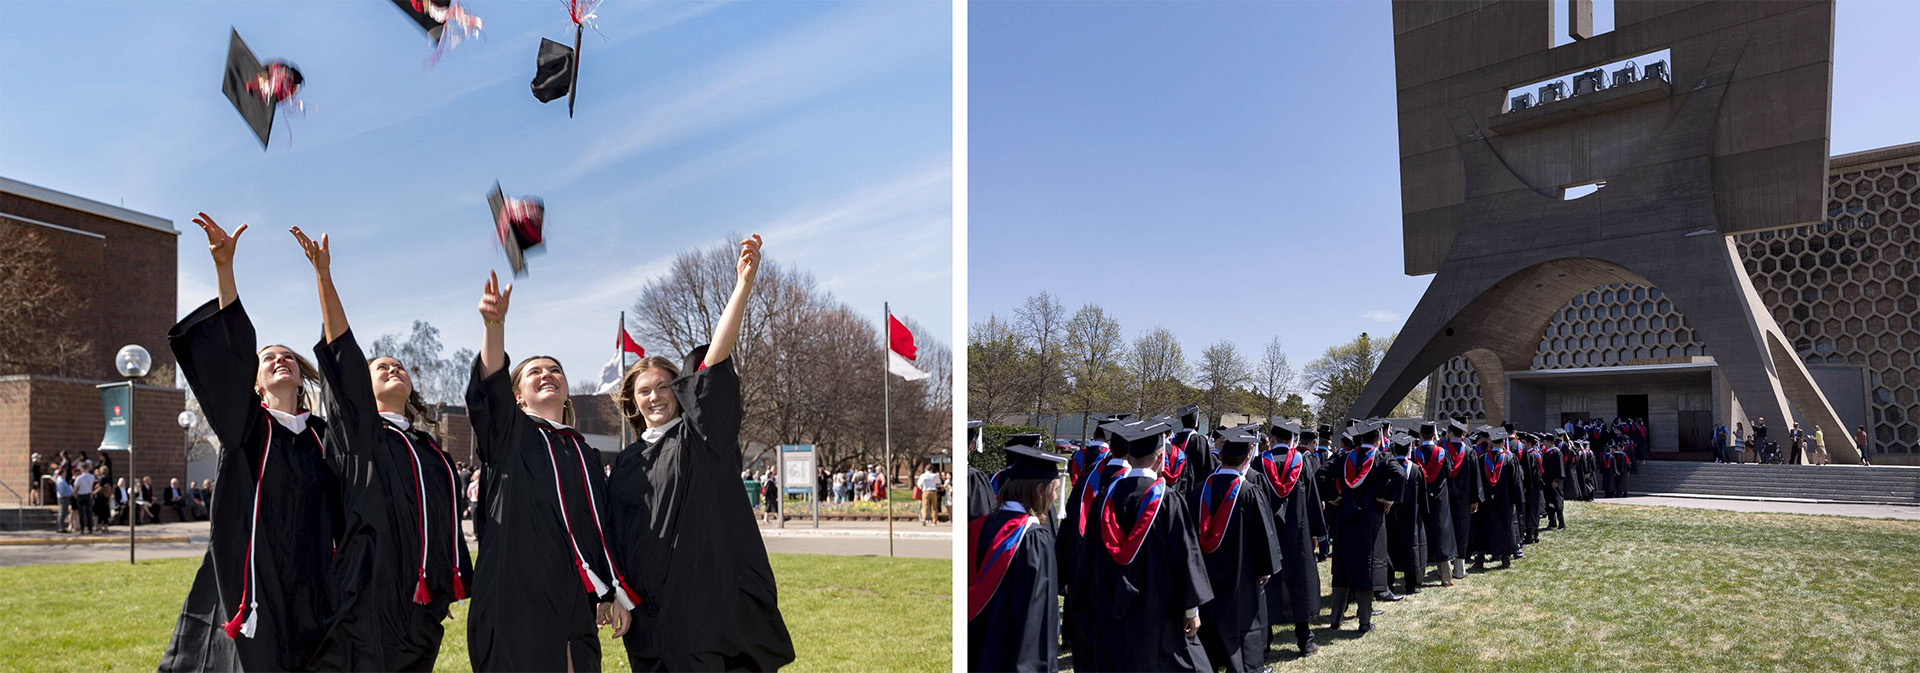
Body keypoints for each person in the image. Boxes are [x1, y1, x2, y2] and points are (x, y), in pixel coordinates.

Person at [603, 234, 794, 672]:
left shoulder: (700, 438)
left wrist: (743, 286)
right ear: (633, 402)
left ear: (681, 392)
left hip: (709, 610)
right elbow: (613, 535)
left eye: (664, 387)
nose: (655, 397)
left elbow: (713, 363)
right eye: (644, 391)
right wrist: (617, 595)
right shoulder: (627, 462)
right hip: (650, 617)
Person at [158, 212, 338, 673]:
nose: (279, 360)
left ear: (301, 375)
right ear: (254, 381)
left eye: (287, 357)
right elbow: (233, 349)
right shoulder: (247, 429)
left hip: (310, 578)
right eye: (268, 358)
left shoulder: (321, 437)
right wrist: (225, 270)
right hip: (252, 579)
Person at [290, 228, 474, 672]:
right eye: (380, 367)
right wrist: (324, 277)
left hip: (421, 603)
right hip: (366, 593)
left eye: (399, 366)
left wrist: (442, 582)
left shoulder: (430, 450)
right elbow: (341, 353)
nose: (392, 368)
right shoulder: (361, 434)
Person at [464, 269, 630, 672]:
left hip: (572, 592)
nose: (547, 374)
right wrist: (494, 326)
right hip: (516, 592)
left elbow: (597, 526)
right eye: (534, 371)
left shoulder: (583, 452)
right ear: (517, 395)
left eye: (555, 370)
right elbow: (490, 390)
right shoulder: (511, 436)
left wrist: (610, 590)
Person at [1074, 419, 1212, 671]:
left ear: (1128, 455)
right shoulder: (1169, 501)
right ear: (1161, 458)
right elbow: (1185, 558)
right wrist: (1191, 610)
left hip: (1109, 606)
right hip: (1158, 611)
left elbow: (1088, 555)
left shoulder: (1105, 499)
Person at [967, 436, 1066, 672]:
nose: (1054, 498)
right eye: (1054, 491)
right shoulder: (1034, 538)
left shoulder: (977, 528)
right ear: (1040, 490)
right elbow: (1038, 619)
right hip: (1014, 658)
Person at [1188, 427, 1279, 673]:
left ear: (1221, 456)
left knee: (1209, 621)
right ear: (1247, 458)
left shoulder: (1198, 490)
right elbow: (1262, 535)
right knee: (1243, 625)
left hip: (1205, 575)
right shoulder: (1249, 491)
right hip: (1241, 575)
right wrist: (1265, 570)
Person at [1258, 421, 1325, 658]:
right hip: (1299, 533)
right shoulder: (1303, 463)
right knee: (1301, 582)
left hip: (1268, 536)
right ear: (1291, 440)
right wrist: (1316, 533)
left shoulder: (1259, 464)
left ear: (1273, 439)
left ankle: (1265, 644)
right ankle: (1305, 641)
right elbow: (1313, 502)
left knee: (1268, 585)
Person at [1328, 420, 1399, 634]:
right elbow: (1400, 475)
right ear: (1379, 438)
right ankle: (1364, 622)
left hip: (1345, 520)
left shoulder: (1343, 457)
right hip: (1369, 522)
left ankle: (1335, 619)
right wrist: (1387, 499)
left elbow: (1321, 474)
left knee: (1342, 567)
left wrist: (1334, 496)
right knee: (1365, 569)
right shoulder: (1382, 459)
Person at [1468, 428, 1522, 571]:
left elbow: (1475, 482)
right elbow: (1516, 483)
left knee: (1483, 528)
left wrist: (1476, 499)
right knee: (1505, 528)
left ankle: (1479, 560)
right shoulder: (1510, 459)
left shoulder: (1481, 460)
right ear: (1504, 442)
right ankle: (1505, 560)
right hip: (1504, 501)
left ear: (1490, 441)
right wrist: (1515, 501)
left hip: (1485, 502)